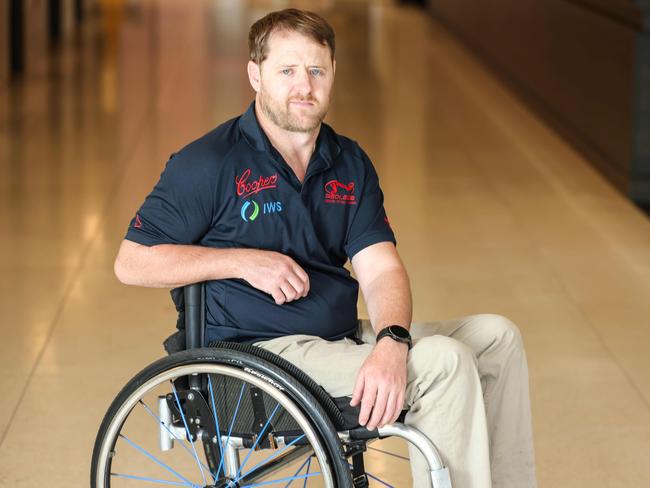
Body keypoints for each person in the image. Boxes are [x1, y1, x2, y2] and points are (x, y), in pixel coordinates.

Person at [114, 8, 536, 488]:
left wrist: (391, 341)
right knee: (444, 361)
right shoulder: (209, 163)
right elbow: (131, 262)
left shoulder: (348, 162)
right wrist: (242, 261)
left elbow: (380, 271)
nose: (304, 86)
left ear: (333, 72)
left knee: (497, 338)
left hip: (337, 338)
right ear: (255, 74)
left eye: (316, 70)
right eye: (287, 71)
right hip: (259, 353)